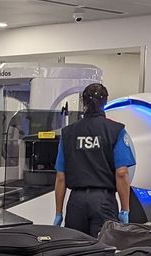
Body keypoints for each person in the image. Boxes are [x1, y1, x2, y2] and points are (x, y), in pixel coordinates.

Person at [52, 84, 135, 236]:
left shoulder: (68, 133)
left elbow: (60, 177)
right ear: (105, 102)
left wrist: (59, 212)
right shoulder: (116, 130)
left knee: (75, 253)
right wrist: (125, 210)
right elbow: (122, 173)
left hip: (75, 202)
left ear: (83, 102)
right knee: (102, 250)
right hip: (103, 201)